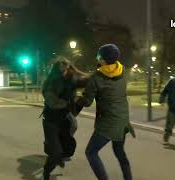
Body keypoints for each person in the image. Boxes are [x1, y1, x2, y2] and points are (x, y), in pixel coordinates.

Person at [77, 44, 135, 180]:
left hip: (108, 124)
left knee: (91, 152)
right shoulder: (122, 71)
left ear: (103, 60)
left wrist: (78, 98)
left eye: (99, 55)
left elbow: (87, 102)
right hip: (123, 121)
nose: (97, 57)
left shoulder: (96, 78)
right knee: (119, 152)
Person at [41, 57, 88, 180]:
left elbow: (86, 81)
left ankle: (58, 155)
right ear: (56, 68)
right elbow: (52, 102)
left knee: (66, 148)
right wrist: (70, 102)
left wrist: (81, 72)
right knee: (55, 152)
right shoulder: (50, 82)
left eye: (67, 66)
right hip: (51, 121)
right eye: (62, 66)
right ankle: (46, 172)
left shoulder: (70, 80)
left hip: (65, 119)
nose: (65, 69)